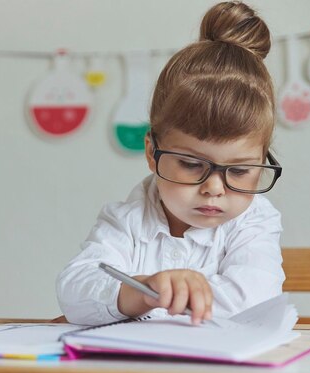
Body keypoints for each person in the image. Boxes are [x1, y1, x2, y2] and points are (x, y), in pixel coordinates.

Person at [57, 1, 284, 326]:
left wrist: (144, 308)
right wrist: (142, 291)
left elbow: (252, 303)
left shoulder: (254, 223)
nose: (214, 189)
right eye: (192, 164)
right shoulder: (127, 221)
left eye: (238, 170)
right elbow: (74, 289)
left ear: (262, 161)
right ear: (152, 151)